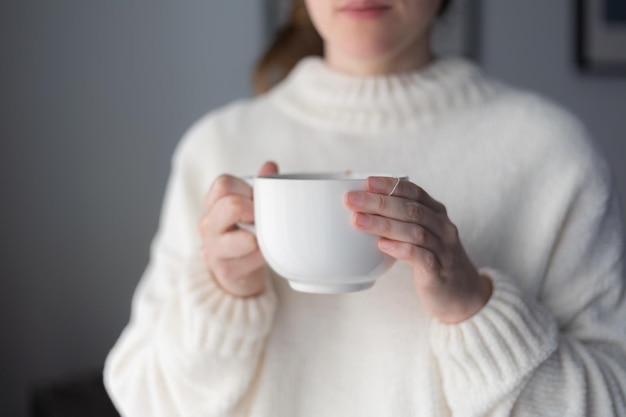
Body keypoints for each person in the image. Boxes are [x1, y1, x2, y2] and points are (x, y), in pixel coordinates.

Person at [104, 0, 626, 415]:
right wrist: (220, 299)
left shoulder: (552, 153)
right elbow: (140, 397)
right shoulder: (216, 149)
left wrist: (474, 309)